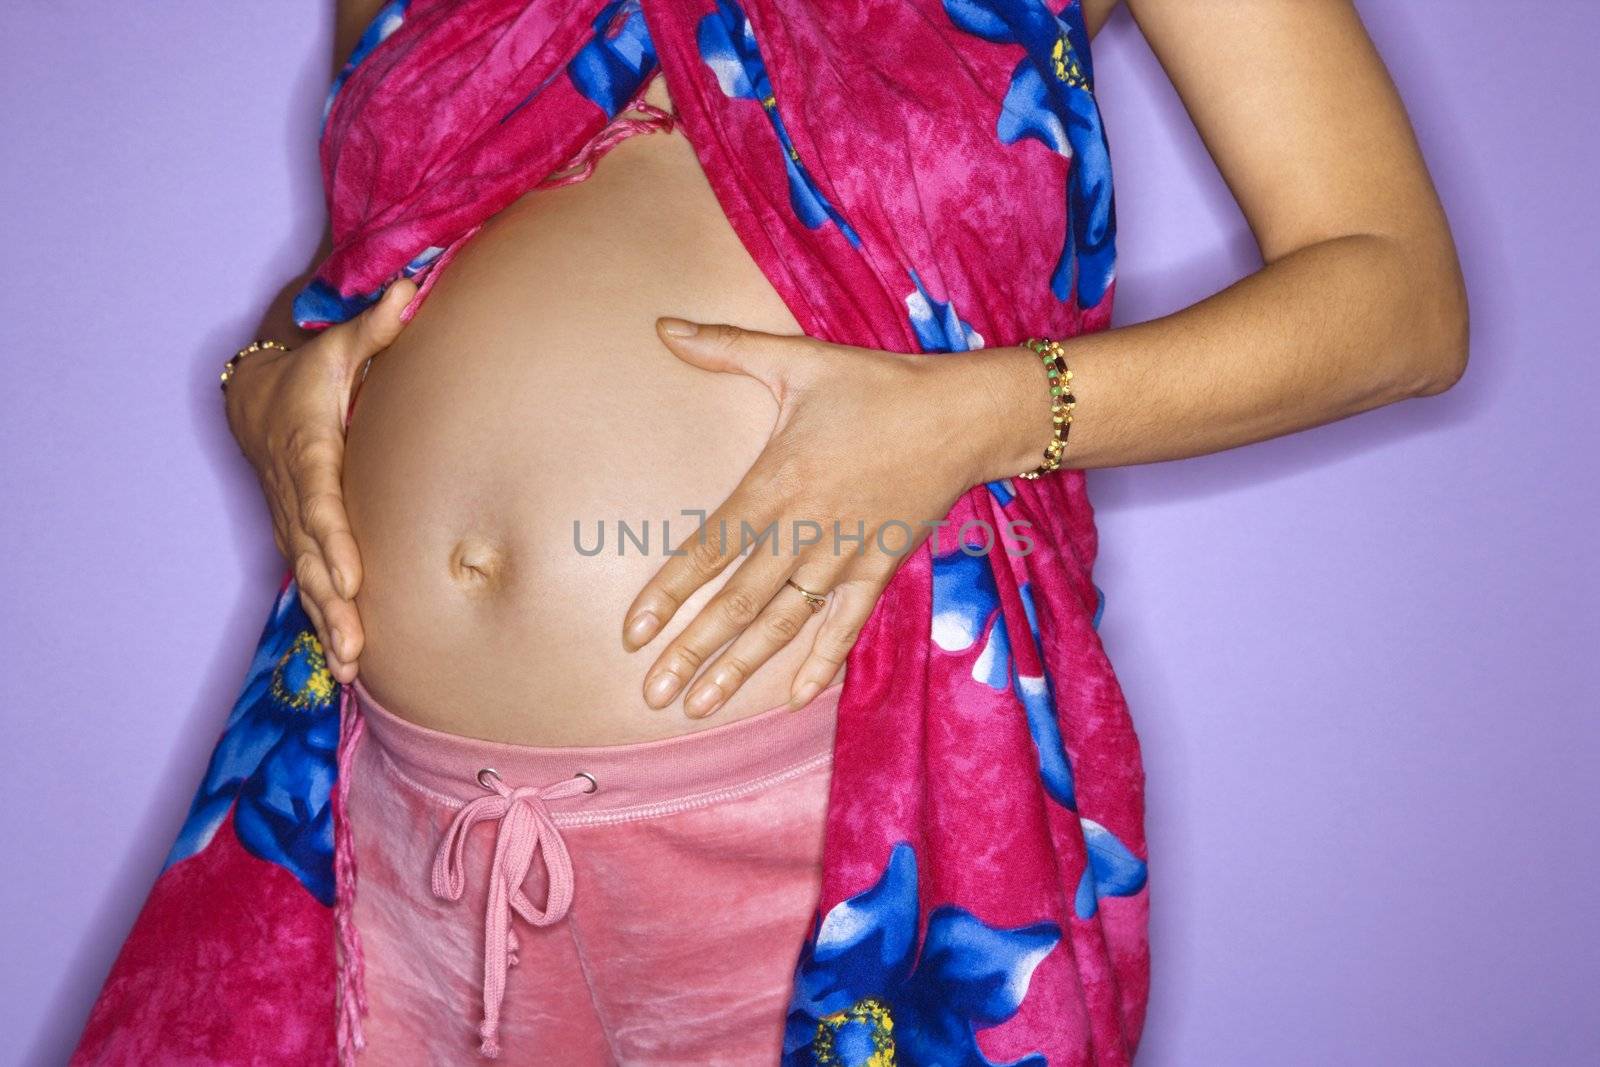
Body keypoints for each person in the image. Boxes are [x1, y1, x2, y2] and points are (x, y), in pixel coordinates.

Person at [73, 0, 1467, 1064]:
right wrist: (266, 374)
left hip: (820, 847)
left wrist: (980, 413)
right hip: (386, 837)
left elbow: (1396, 298)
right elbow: (368, 270)